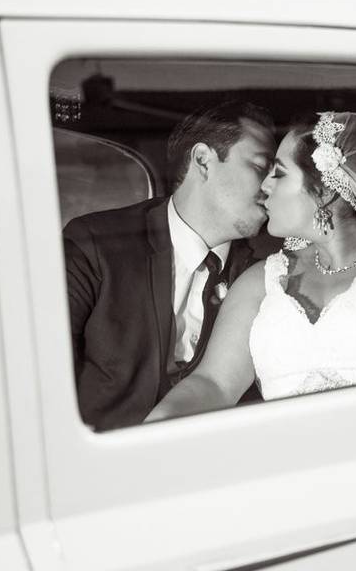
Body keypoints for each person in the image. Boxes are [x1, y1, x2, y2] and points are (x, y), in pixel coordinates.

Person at [145, 111, 356, 421]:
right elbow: (212, 385)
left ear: (323, 191)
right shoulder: (261, 280)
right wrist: (152, 431)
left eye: (278, 173)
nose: (264, 187)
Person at [64, 102, 276, 430]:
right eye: (261, 167)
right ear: (203, 161)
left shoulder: (267, 272)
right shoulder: (95, 245)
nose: (271, 186)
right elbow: (38, 376)